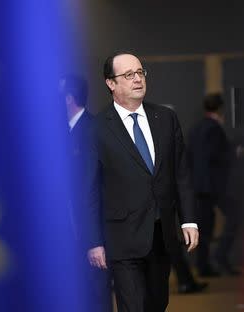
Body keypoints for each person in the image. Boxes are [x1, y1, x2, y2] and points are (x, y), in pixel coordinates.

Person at [90, 52, 199, 312]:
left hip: (161, 234)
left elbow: (180, 173)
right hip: (121, 238)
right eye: (128, 75)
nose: (137, 79)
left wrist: (189, 220)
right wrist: (92, 241)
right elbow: (88, 189)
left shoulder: (165, 118)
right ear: (110, 83)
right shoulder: (96, 128)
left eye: (140, 72)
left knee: (157, 304)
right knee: (133, 306)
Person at [60, 75, 111, 311]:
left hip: (90, 232)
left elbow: (98, 189)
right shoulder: (58, 134)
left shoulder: (94, 129)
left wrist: (95, 241)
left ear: (69, 98)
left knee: (97, 294)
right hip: (64, 233)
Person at [188, 93, 241, 276]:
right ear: (220, 108)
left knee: (204, 227)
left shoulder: (196, 129)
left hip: (199, 186)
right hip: (213, 187)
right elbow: (213, 157)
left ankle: (205, 265)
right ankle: (218, 257)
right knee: (232, 217)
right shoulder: (214, 129)